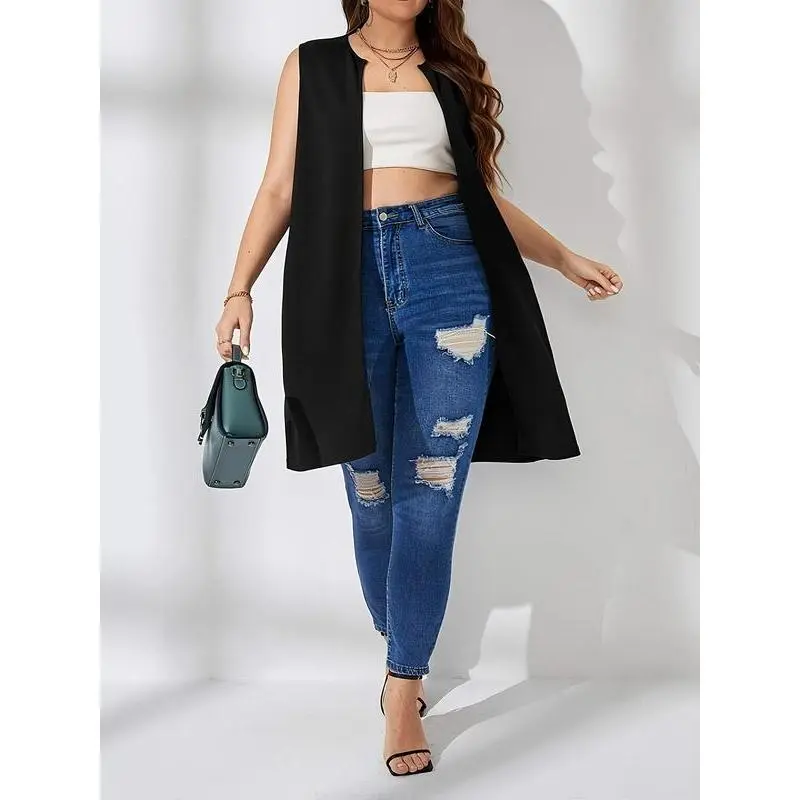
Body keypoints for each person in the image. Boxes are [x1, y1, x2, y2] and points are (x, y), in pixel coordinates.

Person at [214, 0, 623, 778]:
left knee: (430, 489)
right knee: (369, 488)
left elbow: (482, 199)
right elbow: (279, 188)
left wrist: (565, 258)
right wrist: (240, 290)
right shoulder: (313, 64)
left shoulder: (452, 74)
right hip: (340, 280)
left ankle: (404, 685)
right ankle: (398, 635)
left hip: (449, 269)